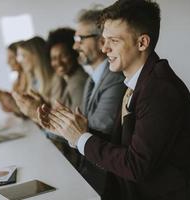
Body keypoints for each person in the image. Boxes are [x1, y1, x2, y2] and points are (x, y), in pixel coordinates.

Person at [38, 0, 190, 200]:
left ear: (142, 43)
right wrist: (73, 131)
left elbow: (135, 166)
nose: (104, 49)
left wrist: (81, 138)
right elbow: (124, 148)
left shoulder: (160, 90)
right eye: (104, 40)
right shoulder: (141, 82)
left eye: (114, 41)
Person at [73, 7, 126, 195]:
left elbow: (101, 128)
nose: (75, 46)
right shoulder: (92, 78)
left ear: (101, 39)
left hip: (108, 179)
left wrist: (66, 126)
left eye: (80, 39)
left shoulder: (115, 77)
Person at [0, 41, 27, 117]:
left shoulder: (30, 79)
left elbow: (25, 112)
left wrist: (7, 99)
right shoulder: (17, 81)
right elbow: (15, 110)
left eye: (11, 58)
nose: (7, 62)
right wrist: (2, 99)